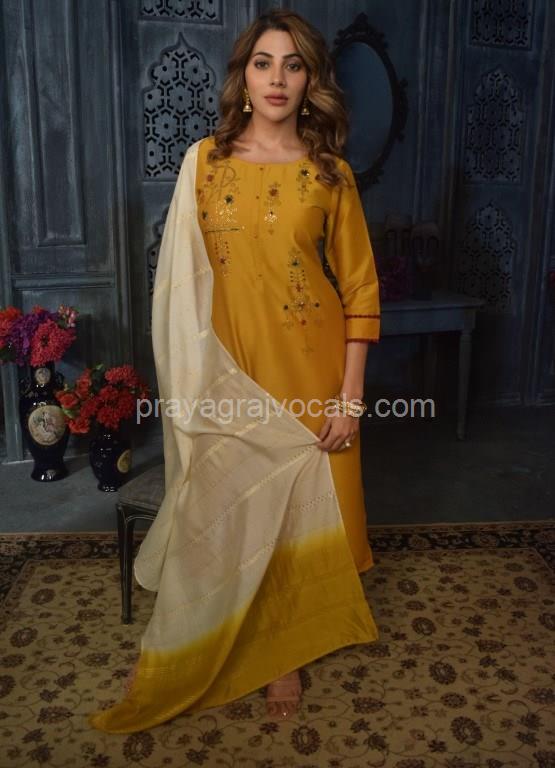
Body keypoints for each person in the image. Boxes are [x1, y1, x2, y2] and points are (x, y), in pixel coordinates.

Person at [88, 8, 381, 733]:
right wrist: (191, 378)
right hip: (221, 369)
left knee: (297, 503)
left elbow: (359, 289)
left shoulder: (330, 173)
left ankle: (284, 649)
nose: (277, 78)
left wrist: (350, 397)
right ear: (243, 77)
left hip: (308, 368)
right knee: (218, 500)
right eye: (263, 62)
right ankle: (184, 635)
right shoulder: (204, 162)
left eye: (293, 65)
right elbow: (178, 283)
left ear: (310, 81)